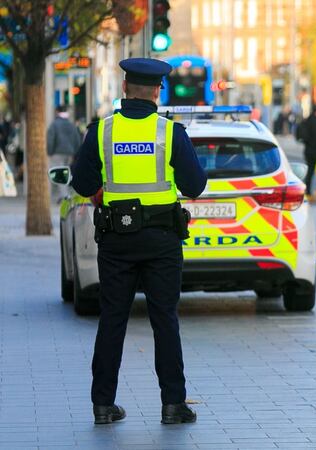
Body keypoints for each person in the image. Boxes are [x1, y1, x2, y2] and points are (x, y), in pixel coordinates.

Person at [70, 57, 207, 425]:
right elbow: (195, 186)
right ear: (157, 92)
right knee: (165, 320)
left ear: (125, 88)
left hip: (116, 240)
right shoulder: (169, 132)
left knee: (112, 319)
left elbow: (81, 184)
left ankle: (103, 405)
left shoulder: (101, 132)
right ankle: (173, 404)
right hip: (161, 241)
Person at [47, 105, 83, 198]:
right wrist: (75, 152)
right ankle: (64, 193)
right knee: (65, 172)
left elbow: (50, 139)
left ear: (57, 112)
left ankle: (64, 195)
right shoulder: (71, 125)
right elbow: (77, 139)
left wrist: (49, 151)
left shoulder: (54, 124)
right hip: (69, 153)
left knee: (58, 173)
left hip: (57, 152)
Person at [296, 103, 316, 194]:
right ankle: (314, 190)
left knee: (310, 171)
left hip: (308, 150)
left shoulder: (308, 120)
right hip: (315, 151)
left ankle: (308, 190)